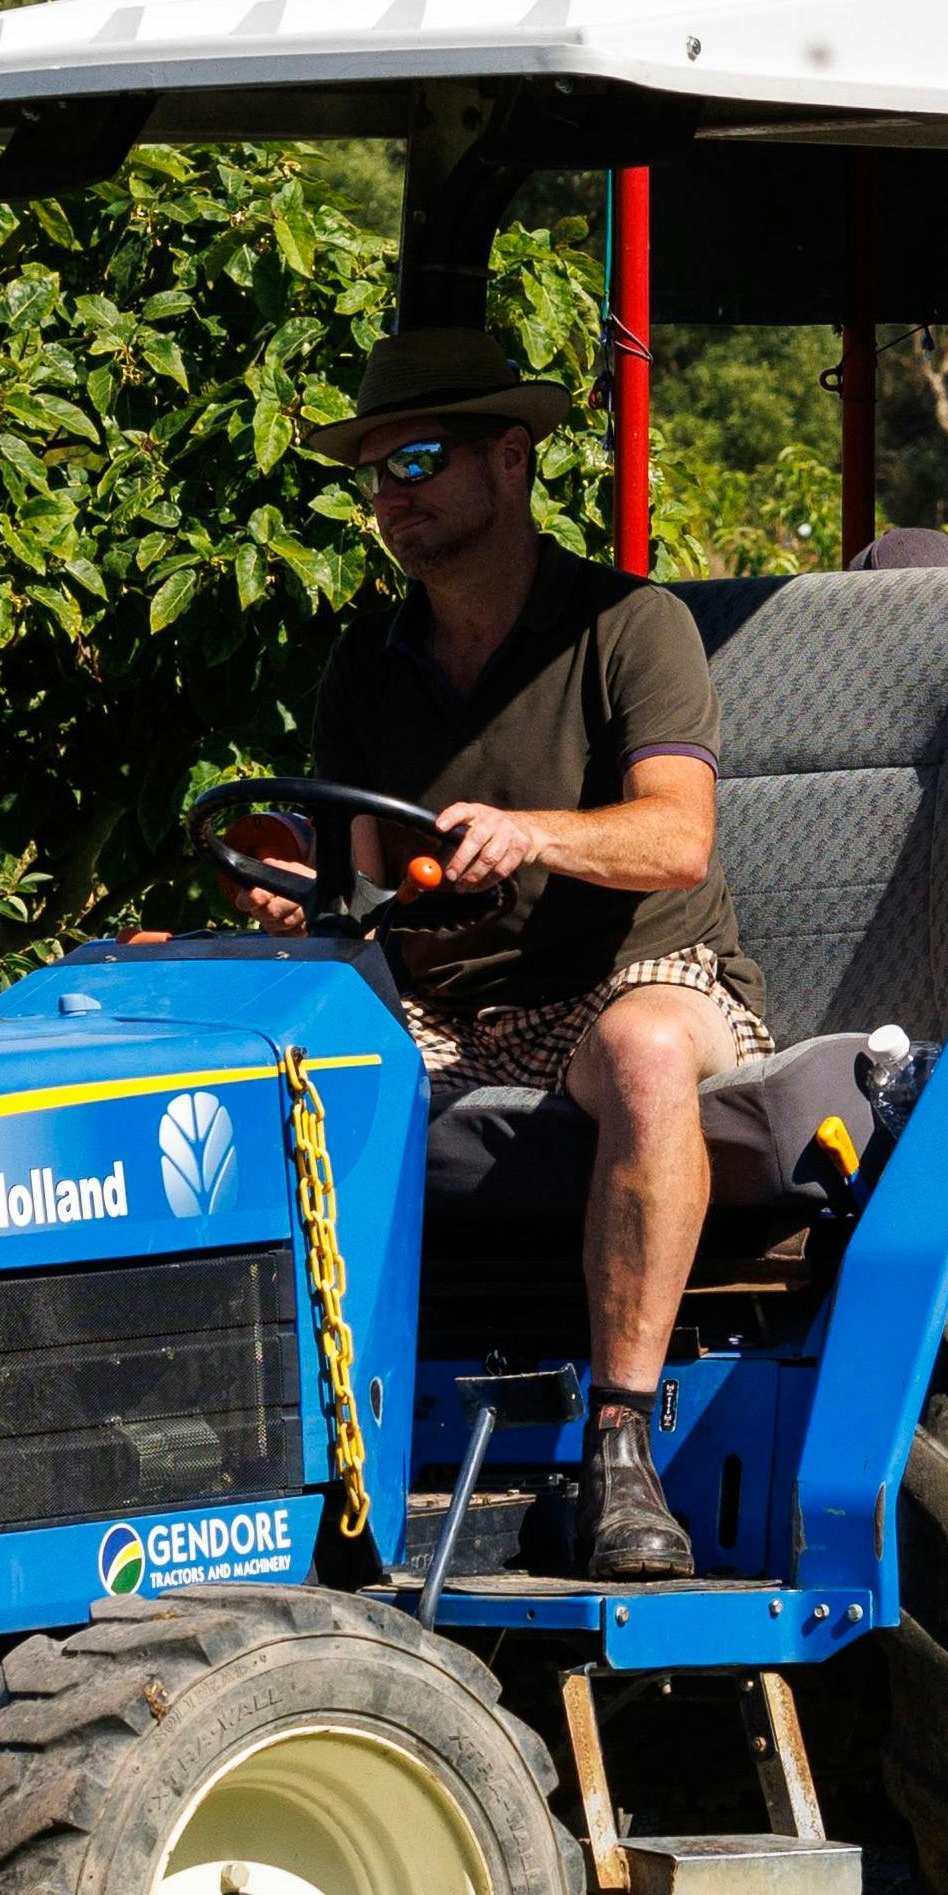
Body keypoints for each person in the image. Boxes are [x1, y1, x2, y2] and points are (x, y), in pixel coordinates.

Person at [253, 327, 770, 1580]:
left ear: (510, 457)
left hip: (628, 979)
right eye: (373, 472)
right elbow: (358, 871)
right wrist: (292, 894)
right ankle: (284, 1447)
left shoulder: (629, 623)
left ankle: (621, 1446)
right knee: (247, 1062)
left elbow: (678, 839)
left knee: (646, 1050)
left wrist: (536, 831)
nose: (392, 496)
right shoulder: (367, 661)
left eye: (417, 460)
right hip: (442, 1008)